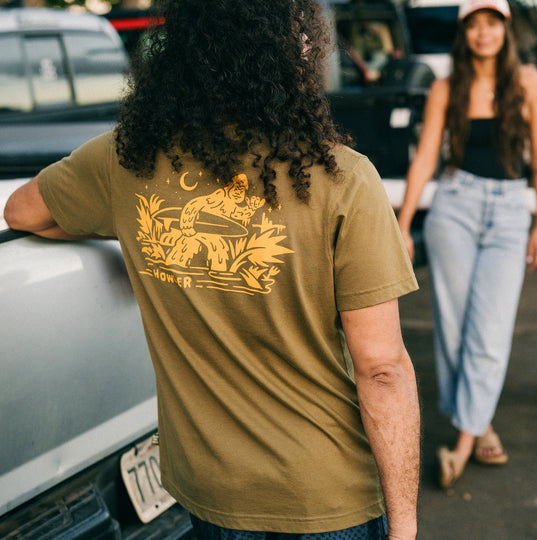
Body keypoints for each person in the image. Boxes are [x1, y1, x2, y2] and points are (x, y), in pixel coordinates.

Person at [4, 1, 420, 538]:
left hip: (210, 491)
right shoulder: (344, 178)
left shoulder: (125, 161)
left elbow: (22, 212)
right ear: (283, 50)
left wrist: (125, 223)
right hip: (325, 493)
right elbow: (382, 369)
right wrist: (404, 525)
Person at [397, 0, 537, 489]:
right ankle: (479, 424)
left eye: (491, 24)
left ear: (506, 30)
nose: (483, 33)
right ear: (464, 33)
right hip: (454, 207)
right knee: (455, 330)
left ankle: (460, 444)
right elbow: (425, 160)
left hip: (508, 212)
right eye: (474, 25)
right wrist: (403, 222)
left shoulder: (529, 82)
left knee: (491, 330)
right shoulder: (446, 86)